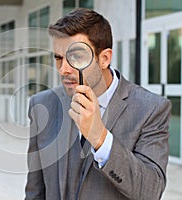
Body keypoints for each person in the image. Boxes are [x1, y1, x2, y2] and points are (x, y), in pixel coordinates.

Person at [25, 7, 171, 200]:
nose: (63, 70)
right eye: (59, 58)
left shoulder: (151, 109)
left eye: (75, 57)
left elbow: (151, 191)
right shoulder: (41, 105)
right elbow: (35, 192)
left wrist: (100, 138)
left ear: (104, 59)